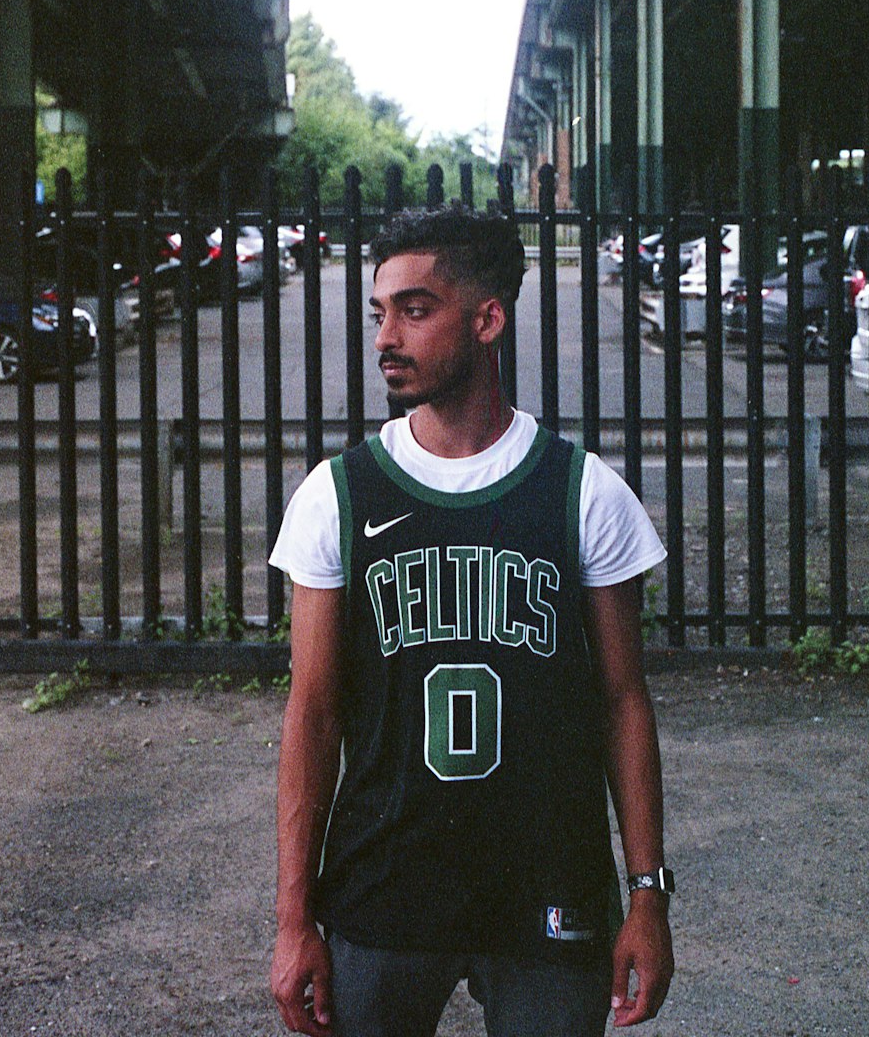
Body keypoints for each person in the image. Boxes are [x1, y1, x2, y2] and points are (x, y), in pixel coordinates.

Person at [269, 206, 674, 1037]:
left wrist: (648, 897)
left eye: (414, 310)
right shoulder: (338, 496)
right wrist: (291, 920)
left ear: (487, 318)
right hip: (383, 888)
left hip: (547, 886)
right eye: (380, 312)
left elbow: (623, 703)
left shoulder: (582, 492)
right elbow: (312, 714)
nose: (387, 336)